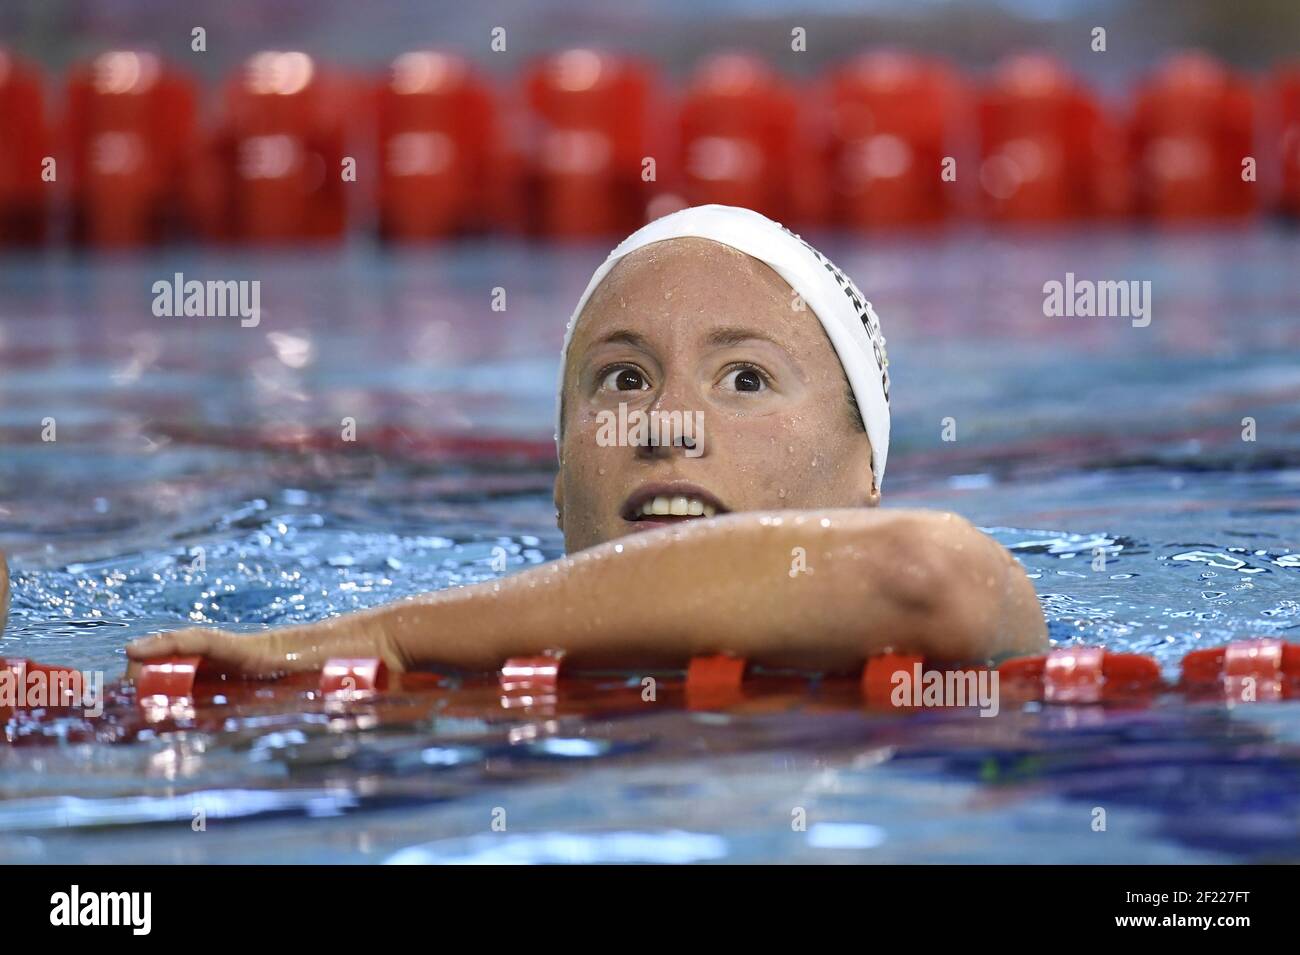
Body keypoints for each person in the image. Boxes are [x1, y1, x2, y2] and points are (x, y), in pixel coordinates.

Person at [121, 205, 1046, 678]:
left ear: (866, 478)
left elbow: (928, 577)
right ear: (560, 483)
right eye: (624, 379)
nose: (667, 424)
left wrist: (393, 641)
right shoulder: (413, 689)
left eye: (746, 380)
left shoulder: (975, 636)